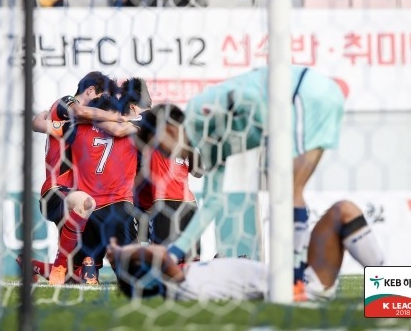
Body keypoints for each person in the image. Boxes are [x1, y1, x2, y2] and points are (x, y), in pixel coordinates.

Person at [136, 65, 345, 281]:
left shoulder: (199, 108)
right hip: (321, 96)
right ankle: (311, 278)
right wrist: (175, 251)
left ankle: (296, 277)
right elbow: (212, 202)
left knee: (287, 190)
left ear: (168, 130)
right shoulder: (208, 145)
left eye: (161, 148)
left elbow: (251, 97)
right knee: (292, 192)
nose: (166, 156)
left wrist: (272, 142)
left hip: (303, 94)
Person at [107, 199, 384, 301]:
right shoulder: (180, 286)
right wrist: (119, 256)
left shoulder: (187, 275)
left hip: (292, 279)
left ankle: (396, 292)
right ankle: (397, 294)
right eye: (142, 251)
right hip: (301, 288)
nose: (151, 246)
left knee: (336, 211)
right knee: (343, 211)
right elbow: (159, 257)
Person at [33, 71, 128, 285]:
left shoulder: (75, 124)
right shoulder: (68, 103)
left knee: (73, 274)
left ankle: (34, 265)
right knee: (87, 202)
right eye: (100, 97)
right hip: (56, 191)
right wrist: (120, 118)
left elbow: (39, 123)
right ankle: (59, 266)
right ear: (90, 91)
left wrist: (39, 119)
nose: (101, 106)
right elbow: (82, 111)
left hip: (73, 196)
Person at [119, 78, 204, 247]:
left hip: (161, 203)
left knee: (163, 263)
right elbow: (199, 172)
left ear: (132, 107)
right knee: (189, 262)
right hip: (189, 203)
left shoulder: (140, 122)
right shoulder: (177, 126)